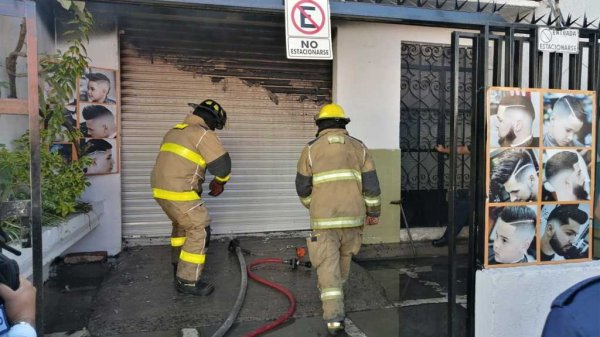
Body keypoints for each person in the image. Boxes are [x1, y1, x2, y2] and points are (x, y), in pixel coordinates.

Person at [296, 103, 381, 336]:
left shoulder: (311, 149)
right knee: (343, 262)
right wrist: (373, 213)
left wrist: (313, 205)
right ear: (343, 123)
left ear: (320, 125)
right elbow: (371, 186)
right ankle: (334, 296)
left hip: (324, 222)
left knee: (327, 265)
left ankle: (334, 319)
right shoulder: (359, 147)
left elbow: (302, 188)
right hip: (353, 220)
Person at [151, 99, 230, 296]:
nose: (214, 129)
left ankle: (178, 265)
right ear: (211, 120)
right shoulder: (202, 133)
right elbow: (222, 166)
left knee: (182, 225)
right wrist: (220, 182)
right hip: (179, 190)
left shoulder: (175, 131)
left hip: (161, 190)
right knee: (199, 228)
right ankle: (187, 280)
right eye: (216, 126)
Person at [431, 144, 470, 247]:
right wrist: (443, 150)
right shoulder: (481, 143)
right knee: (462, 207)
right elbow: (461, 149)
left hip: (496, 188)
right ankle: (447, 238)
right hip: (482, 187)